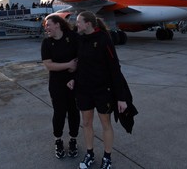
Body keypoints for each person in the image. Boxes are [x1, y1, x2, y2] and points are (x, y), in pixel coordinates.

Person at [74, 11, 128, 169]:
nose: (76, 24)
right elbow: (81, 64)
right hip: (84, 89)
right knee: (86, 122)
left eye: (79, 22)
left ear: (88, 24)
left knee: (105, 124)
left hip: (102, 90)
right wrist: (74, 80)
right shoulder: (80, 39)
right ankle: (89, 153)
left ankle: (107, 157)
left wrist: (121, 97)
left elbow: (114, 67)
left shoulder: (104, 39)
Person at [41, 15, 81, 159]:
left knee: (74, 112)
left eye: (48, 25)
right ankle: (58, 140)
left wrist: (74, 73)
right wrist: (69, 65)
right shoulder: (46, 42)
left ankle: (73, 140)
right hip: (57, 83)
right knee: (59, 113)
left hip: (73, 82)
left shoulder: (73, 37)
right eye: (45, 26)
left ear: (57, 24)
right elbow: (48, 65)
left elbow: (80, 58)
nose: (46, 28)